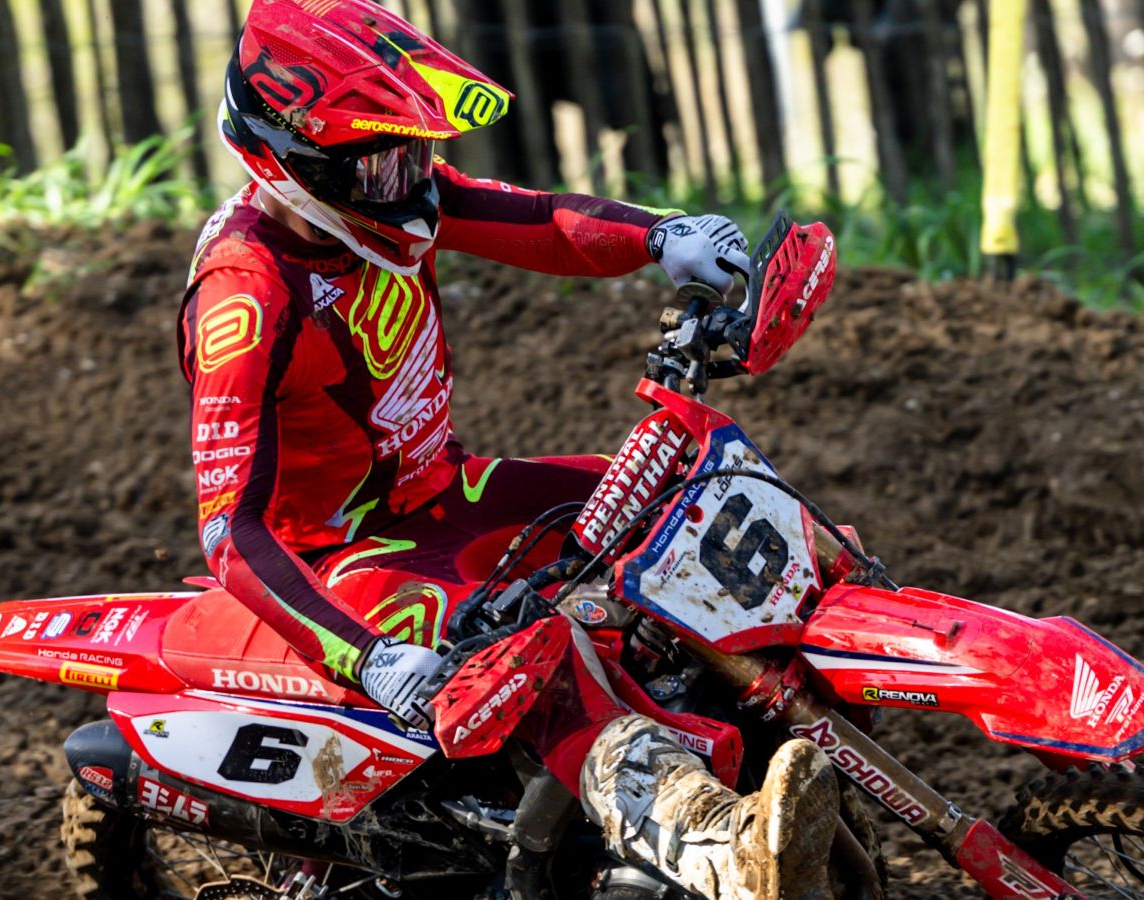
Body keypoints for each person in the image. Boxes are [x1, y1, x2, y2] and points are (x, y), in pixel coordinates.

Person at [179, 2, 837, 898]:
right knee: (541, 654)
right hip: (346, 558)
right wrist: (367, 657)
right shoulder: (246, 301)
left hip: (443, 489)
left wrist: (660, 234)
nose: (412, 183)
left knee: (689, 494)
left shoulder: (370, 200)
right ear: (295, 161)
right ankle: (711, 841)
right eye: (383, 162)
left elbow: (533, 218)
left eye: (415, 153)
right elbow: (230, 535)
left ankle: (801, 699)